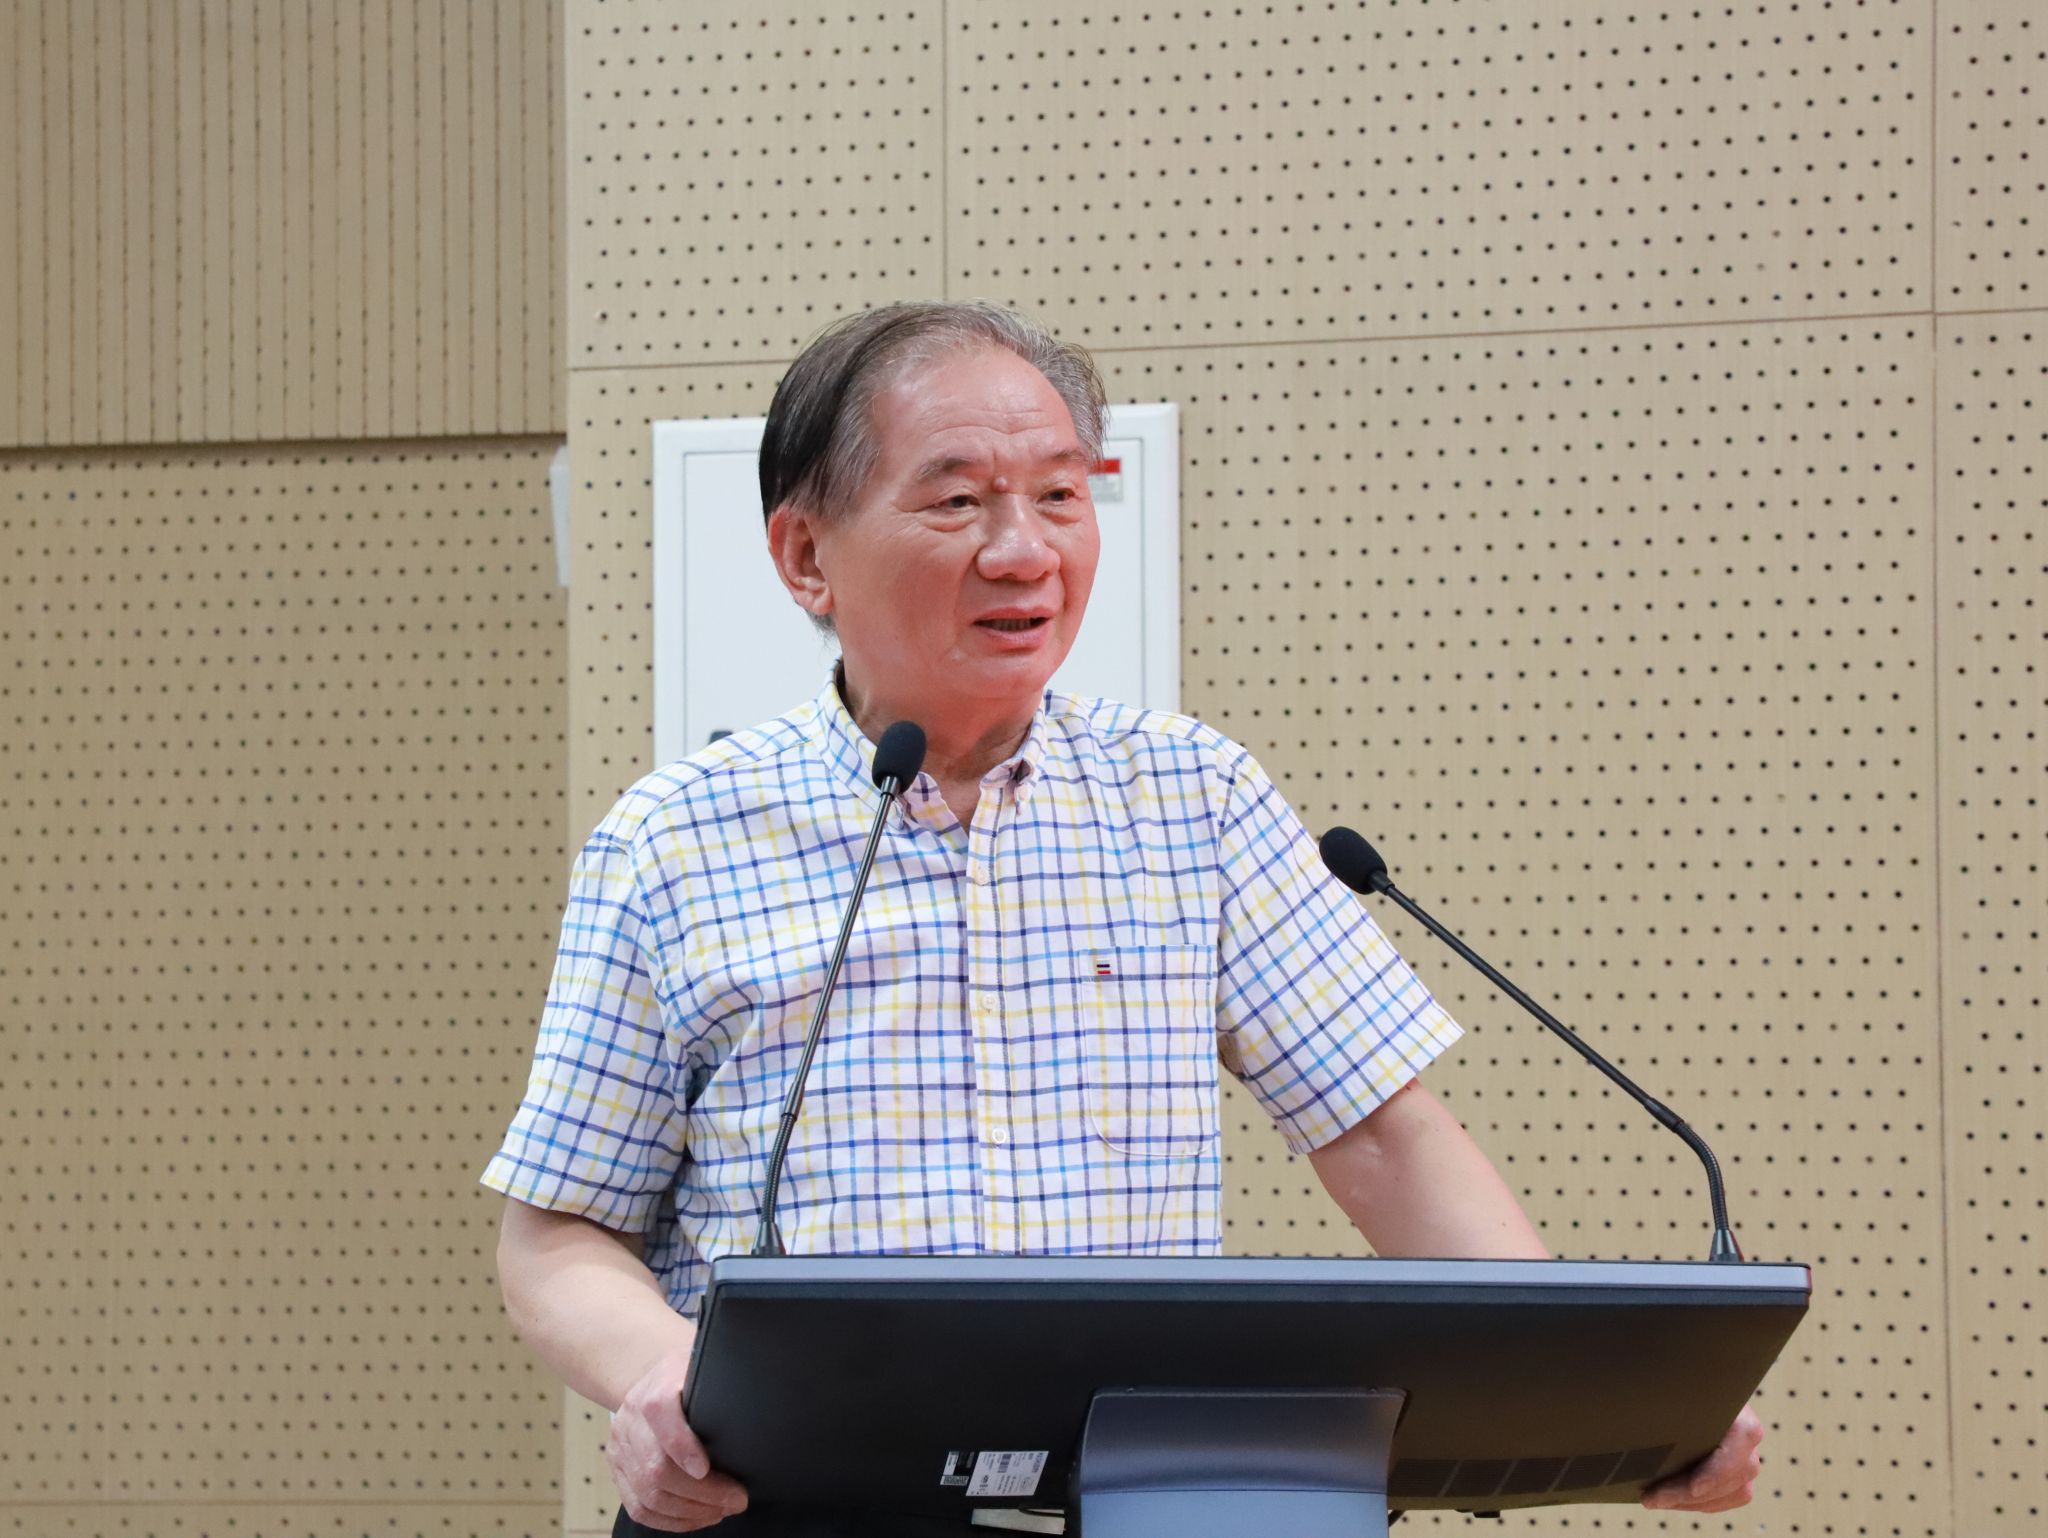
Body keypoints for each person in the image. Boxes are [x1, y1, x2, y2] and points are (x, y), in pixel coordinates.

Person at [484, 302, 1765, 1534]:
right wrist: (664, 1379)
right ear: (805, 555)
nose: (1023, 550)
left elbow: (1383, 1135)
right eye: (957, 501)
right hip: (785, 1508)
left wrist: (1592, 1392)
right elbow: (558, 1230)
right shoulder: (676, 837)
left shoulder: (1192, 794)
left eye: (1059, 493)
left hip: (1147, 1502)